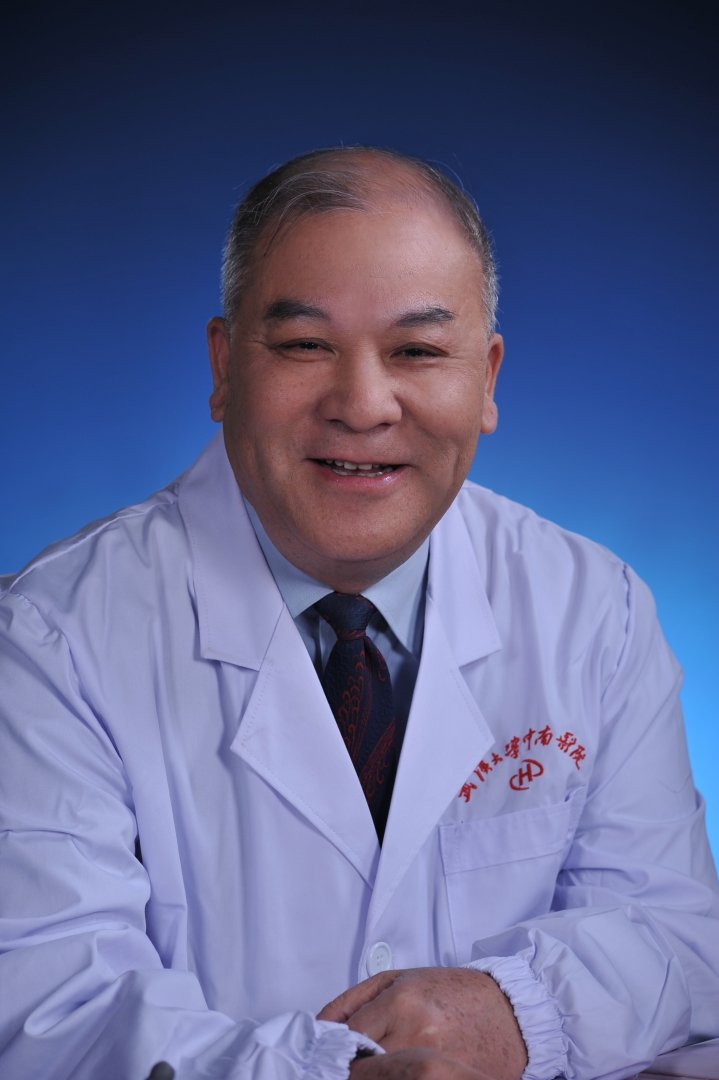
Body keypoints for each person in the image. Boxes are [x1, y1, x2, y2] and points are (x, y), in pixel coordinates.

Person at [0, 147, 717, 1080]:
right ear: (223, 367)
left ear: (486, 378)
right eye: (305, 346)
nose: (363, 405)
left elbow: (677, 938)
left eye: (417, 351)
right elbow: (49, 1015)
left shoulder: (593, 608)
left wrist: (512, 1013)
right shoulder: (48, 639)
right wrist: (341, 1071)